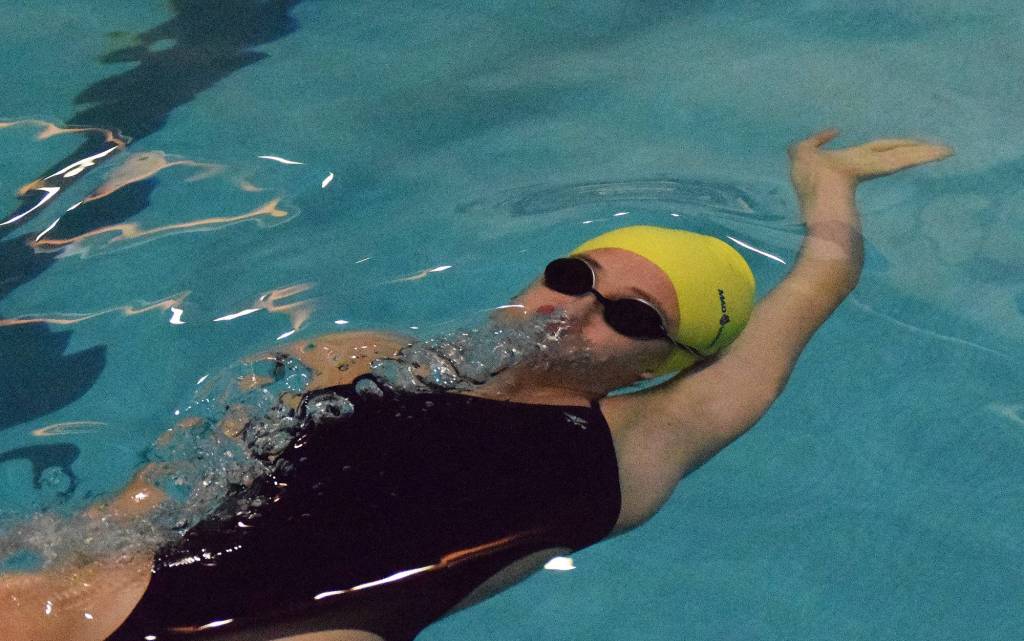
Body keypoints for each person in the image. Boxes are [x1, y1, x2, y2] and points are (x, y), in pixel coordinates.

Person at [0, 129, 952, 641]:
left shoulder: (641, 444)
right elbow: (159, 503)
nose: (578, 310)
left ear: (663, 362)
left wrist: (826, 189)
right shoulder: (364, 357)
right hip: (95, 596)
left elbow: (806, 299)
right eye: (575, 276)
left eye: (630, 316)